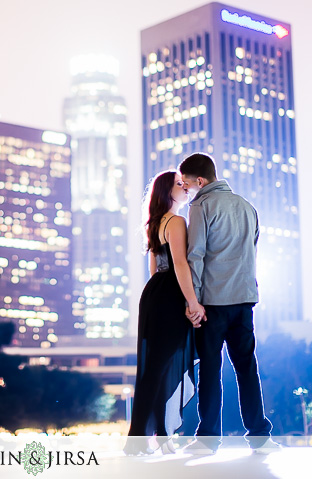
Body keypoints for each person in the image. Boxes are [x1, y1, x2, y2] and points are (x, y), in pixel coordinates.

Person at [179, 153, 281, 455]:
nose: (187, 191)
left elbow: (195, 254)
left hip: (213, 302)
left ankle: (208, 440)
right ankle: (261, 437)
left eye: (187, 185)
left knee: (210, 369)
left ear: (200, 181)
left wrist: (192, 301)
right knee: (247, 368)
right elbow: (252, 248)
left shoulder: (201, 206)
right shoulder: (248, 206)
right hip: (245, 299)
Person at [124, 170, 206, 455]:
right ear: (167, 191)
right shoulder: (177, 221)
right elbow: (180, 265)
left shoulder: (155, 223)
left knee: (154, 369)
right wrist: (192, 302)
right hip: (170, 294)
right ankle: (142, 439)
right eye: (179, 184)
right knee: (158, 368)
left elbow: (153, 269)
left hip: (154, 295)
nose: (185, 188)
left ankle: (154, 436)